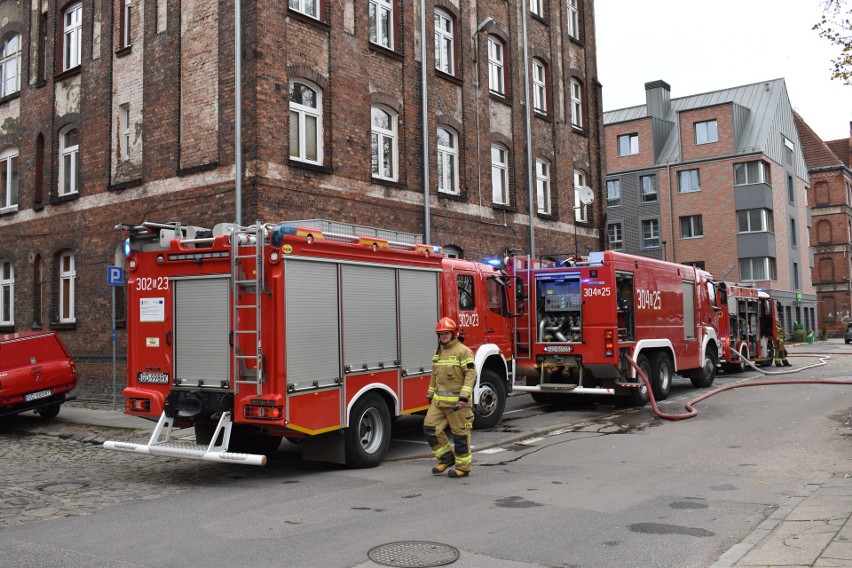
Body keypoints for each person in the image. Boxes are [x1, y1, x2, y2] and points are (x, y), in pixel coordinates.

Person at [424, 317, 476, 478]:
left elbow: (470, 375)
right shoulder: (438, 351)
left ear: (454, 334)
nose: (443, 337)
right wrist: (430, 393)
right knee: (430, 428)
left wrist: (464, 397)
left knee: (460, 435)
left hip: (458, 404)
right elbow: (435, 375)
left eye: (446, 333)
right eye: (440, 334)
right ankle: (446, 458)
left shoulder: (463, 351)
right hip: (439, 401)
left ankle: (463, 467)